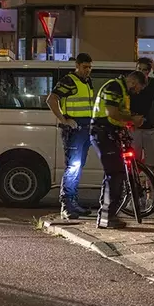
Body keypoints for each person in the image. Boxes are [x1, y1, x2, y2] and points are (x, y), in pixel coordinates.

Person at [91, 71, 147, 229]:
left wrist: (129, 122)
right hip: (103, 133)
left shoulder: (122, 89)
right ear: (134, 83)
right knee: (115, 174)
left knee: (115, 174)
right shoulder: (114, 87)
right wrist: (131, 120)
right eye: (138, 89)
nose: (137, 92)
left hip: (110, 134)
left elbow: (119, 114)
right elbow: (112, 112)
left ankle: (108, 216)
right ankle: (107, 217)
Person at [46, 53, 95, 219]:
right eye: (84, 67)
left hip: (85, 129)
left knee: (78, 166)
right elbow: (52, 100)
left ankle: (73, 202)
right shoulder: (69, 81)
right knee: (72, 166)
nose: (87, 70)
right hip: (73, 130)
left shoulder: (87, 81)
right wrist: (64, 120)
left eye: (89, 67)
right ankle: (66, 205)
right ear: (77, 65)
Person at [130, 57, 154, 173]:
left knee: (151, 164)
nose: (141, 72)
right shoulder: (131, 85)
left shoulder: (152, 83)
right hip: (135, 129)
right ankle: (135, 188)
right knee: (133, 162)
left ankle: (150, 189)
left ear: (148, 71)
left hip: (151, 129)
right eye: (139, 69)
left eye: (144, 70)